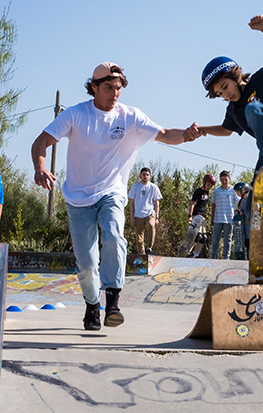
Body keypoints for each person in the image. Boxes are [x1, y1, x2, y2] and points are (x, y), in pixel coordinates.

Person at [31, 62, 202, 331]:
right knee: (86, 263)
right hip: (77, 199)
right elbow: (40, 142)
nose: (114, 93)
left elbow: (167, 134)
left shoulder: (130, 116)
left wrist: (187, 135)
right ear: (94, 87)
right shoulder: (76, 115)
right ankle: (91, 305)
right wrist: (40, 167)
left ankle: (113, 301)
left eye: (119, 88)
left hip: (111, 192)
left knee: (113, 234)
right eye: (108, 87)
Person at [196, 15, 263, 177]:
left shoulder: (259, 81)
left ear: (236, 75)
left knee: (252, 109)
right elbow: (226, 130)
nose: (226, 95)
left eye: (225, 87)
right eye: (220, 94)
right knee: (253, 198)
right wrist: (201, 130)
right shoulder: (233, 110)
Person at [128, 167, 162, 255]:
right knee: (139, 237)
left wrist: (157, 217)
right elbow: (131, 202)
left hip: (149, 213)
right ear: (140, 175)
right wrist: (132, 217)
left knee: (151, 226)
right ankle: (142, 255)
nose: (145, 176)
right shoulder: (135, 186)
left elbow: (156, 203)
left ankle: (149, 248)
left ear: (150, 176)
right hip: (138, 214)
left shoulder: (153, 187)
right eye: (143, 174)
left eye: (147, 175)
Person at [183, 174, 216, 258]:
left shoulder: (207, 192)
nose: (209, 187)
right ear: (204, 182)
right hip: (196, 216)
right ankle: (188, 253)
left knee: (203, 237)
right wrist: (190, 216)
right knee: (196, 236)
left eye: (211, 186)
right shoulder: (198, 191)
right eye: (208, 185)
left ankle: (196, 254)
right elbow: (192, 204)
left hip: (203, 217)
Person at [210, 171, 238, 259]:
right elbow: (213, 205)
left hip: (229, 219)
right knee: (215, 240)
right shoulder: (216, 191)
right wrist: (212, 218)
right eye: (222, 180)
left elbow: (239, 201)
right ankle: (213, 257)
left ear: (229, 179)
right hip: (218, 219)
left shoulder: (233, 190)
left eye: (225, 179)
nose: (224, 181)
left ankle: (226, 258)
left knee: (228, 240)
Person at [233, 182, 252, 260]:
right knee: (241, 240)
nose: (237, 194)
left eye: (238, 192)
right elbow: (241, 209)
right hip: (242, 223)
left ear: (243, 190)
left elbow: (250, 211)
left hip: (248, 223)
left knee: (248, 240)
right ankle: (242, 256)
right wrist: (237, 212)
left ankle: (249, 256)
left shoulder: (249, 199)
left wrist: (243, 212)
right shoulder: (241, 200)